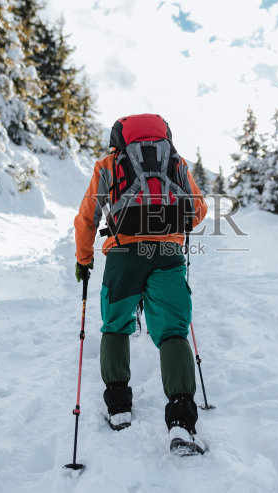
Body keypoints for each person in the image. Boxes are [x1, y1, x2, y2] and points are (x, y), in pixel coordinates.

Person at [74, 113, 208, 455]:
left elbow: (87, 217)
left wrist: (84, 259)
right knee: (174, 331)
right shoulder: (175, 163)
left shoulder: (108, 164)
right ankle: (181, 421)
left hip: (123, 254)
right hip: (167, 253)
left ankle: (119, 408)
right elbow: (199, 210)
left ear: (119, 137)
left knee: (116, 325)